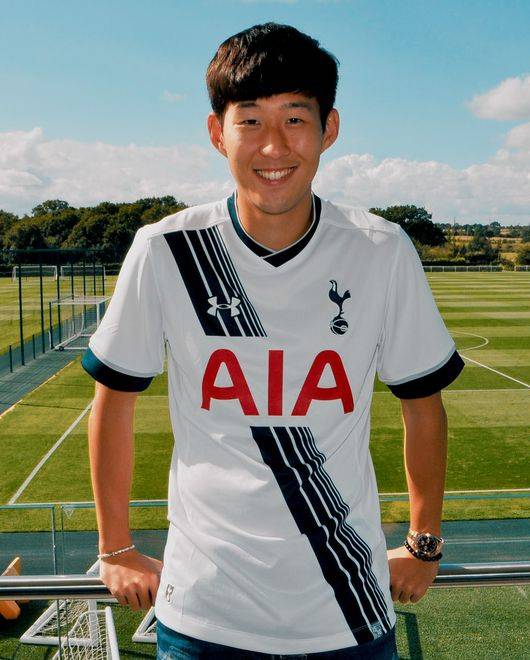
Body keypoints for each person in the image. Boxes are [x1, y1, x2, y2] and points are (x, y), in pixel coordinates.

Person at [81, 22, 465, 660]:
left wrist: (423, 541)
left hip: (347, 613)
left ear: (329, 129)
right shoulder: (166, 248)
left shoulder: (380, 248)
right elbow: (113, 402)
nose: (274, 145)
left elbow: (423, 404)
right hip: (203, 615)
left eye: (295, 119)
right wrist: (115, 547)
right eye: (251, 121)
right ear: (217, 132)